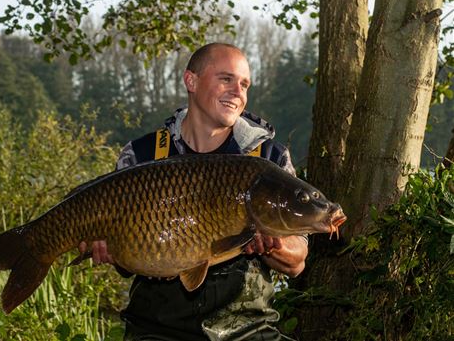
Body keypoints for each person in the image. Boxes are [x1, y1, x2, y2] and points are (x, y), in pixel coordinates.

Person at [79, 43, 308, 341]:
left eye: (244, 84)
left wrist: (273, 244)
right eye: (226, 79)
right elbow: (126, 262)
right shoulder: (142, 154)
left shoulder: (267, 158)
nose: (237, 92)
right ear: (191, 81)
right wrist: (111, 250)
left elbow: (298, 261)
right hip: (156, 329)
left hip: (247, 329)